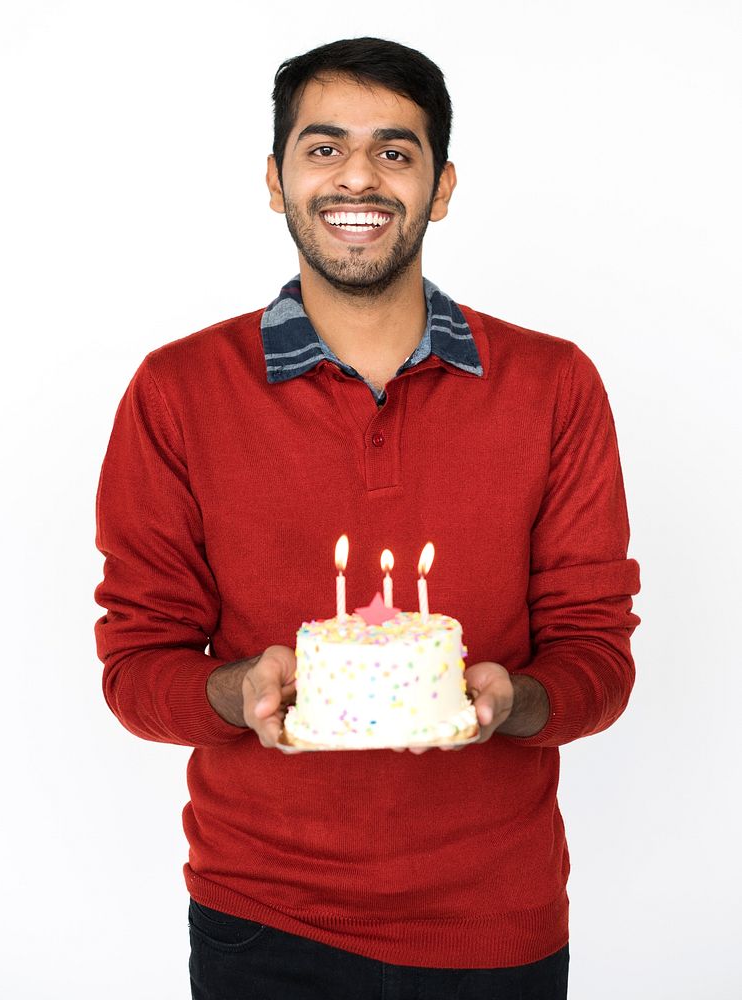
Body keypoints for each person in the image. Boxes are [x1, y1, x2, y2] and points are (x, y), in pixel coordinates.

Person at [95, 36, 640, 1000]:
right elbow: (136, 669)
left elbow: (596, 658)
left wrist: (512, 701)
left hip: (495, 923)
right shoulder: (176, 390)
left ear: (441, 186)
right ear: (274, 179)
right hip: (259, 919)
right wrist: (242, 694)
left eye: (395, 150)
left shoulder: (553, 384)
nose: (358, 176)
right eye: (322, 148)